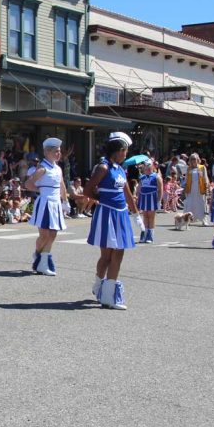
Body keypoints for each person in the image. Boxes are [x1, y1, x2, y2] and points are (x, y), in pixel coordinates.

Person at [84, 131, 138, 310]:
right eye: (124, 150)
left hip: (121, 214)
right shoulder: (103, 167)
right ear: (118, 150)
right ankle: (101, 287)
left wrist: (136, 214)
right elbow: (88, 190)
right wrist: (101, 200)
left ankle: (107, 294)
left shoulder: (120, 169)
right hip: (107, 214)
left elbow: (127, 193)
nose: (126, 154)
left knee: (119, 252)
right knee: (106, 256)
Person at [26, 138, 68, 275]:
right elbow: (28, 184)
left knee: (53, 233)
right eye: (56, 151)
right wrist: (41, 190)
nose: (58, 154)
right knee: (44, 235)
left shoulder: (58, 168)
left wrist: (65, 201)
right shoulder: (43, 168)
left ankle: (43, 263)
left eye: (59, 151)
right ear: (47, 152)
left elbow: (62, 185)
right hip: (45, 203)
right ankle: (38, 255)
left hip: (55, 203)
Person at [136, 159, 162, 243]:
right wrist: (137, 197)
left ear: (153, 167)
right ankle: (144, 233)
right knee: (145, 216)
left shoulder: (156, 176)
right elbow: (139, 188)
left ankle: (150, 236)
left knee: (151, 216)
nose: (147, 169)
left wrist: (159, 200)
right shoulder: (142, 177)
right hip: (144, 198)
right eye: (146, 168)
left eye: (149, 168)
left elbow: (160, 189)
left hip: (152, 198)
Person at [182, 153, 209, 226]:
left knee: (201, 204)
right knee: (190, 203)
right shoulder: (188, 168)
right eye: (192, 159)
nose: (193, 160)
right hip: (191, 189)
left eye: (195, 159)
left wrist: (206, 186)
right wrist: (184, 187)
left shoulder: (202, 167)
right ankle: (188, 219)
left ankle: (203, 220)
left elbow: (205, 177)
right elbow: (186, 179)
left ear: (198, 159)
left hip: (200, 188)